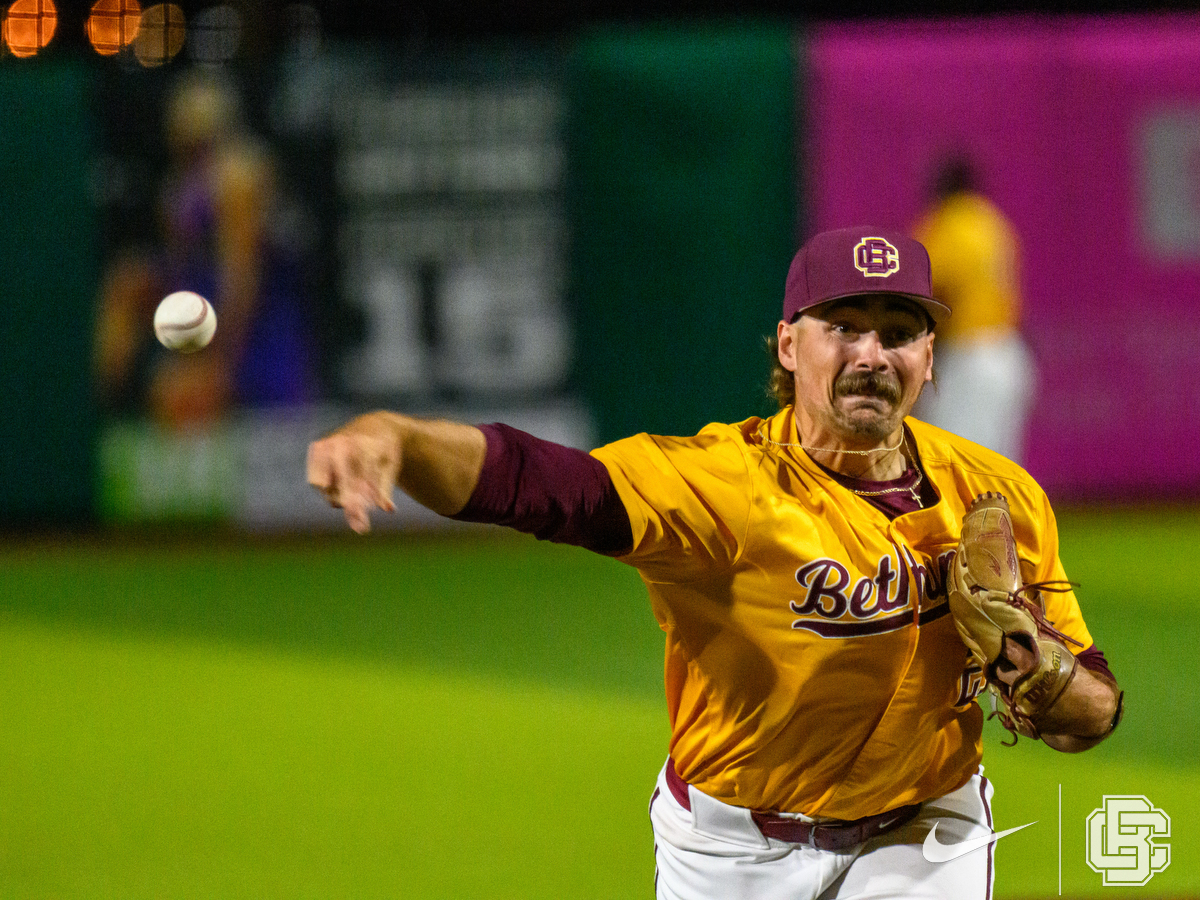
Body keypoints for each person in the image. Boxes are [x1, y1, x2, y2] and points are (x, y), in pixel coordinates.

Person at [307, 227, 1123, 899]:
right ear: (790, 345)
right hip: (733, 852)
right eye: (845, 326)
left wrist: (1035, 665)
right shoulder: (722, 486)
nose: (874, 353)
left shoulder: (996, 494)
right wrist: (403, 439)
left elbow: (1092, 709)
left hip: (923, 834)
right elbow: (538, 484)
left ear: (931, 357)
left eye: (900, 332)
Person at [94, 70, 317, 428]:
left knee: (179, 396)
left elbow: (241, 278)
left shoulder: (238, 173)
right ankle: (95, 408)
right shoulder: (178, 185)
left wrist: (218, 364)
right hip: (203, 319)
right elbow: (183, 273)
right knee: (130, 280)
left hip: (256, 334)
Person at [912, 158, 1035, 463]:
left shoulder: (947, 224)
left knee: (954, 468)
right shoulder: (992, 222)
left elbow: (932, 294)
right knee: (999, 476)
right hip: (1009, 354)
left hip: (969, 361)